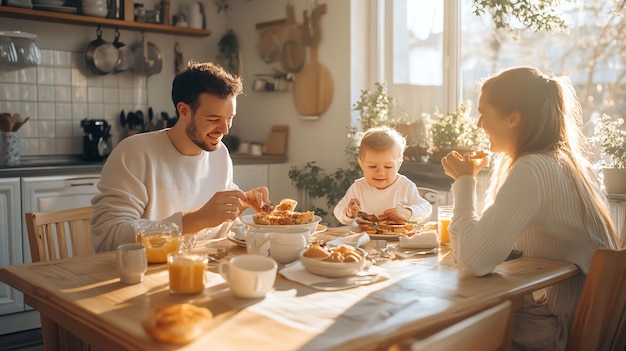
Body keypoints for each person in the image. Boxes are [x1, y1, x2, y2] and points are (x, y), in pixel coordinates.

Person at [440, 66, 617, 351]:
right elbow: (482, 244)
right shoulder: (563, 163)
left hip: (555, 328)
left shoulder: (532, 169)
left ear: (513, 118)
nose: (479, 124)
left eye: (484, 113)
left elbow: (474, 260)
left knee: (443, 333)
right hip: (577, 320)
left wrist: (464, 180)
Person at [90, 61, 268, 252]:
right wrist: (195, 220)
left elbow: (216, 234)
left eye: (230, 118)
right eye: (213, 119)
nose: (224, 129)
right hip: (146, 274)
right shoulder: (134, 154)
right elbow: (109, 238)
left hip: (202, 269)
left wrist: (239, 208)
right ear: (184, 111)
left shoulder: (220, 154)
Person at [334, 126, 432, 225]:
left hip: (397, 238)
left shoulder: (405, 186)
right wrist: (348, 213)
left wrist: (408, 212)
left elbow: (426, 208)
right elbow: (338, 210)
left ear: (398, 165)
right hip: (365, 238)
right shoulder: (358, 187)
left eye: (388, 166)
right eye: (372, 166)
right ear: (362, 165)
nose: (380, 172)